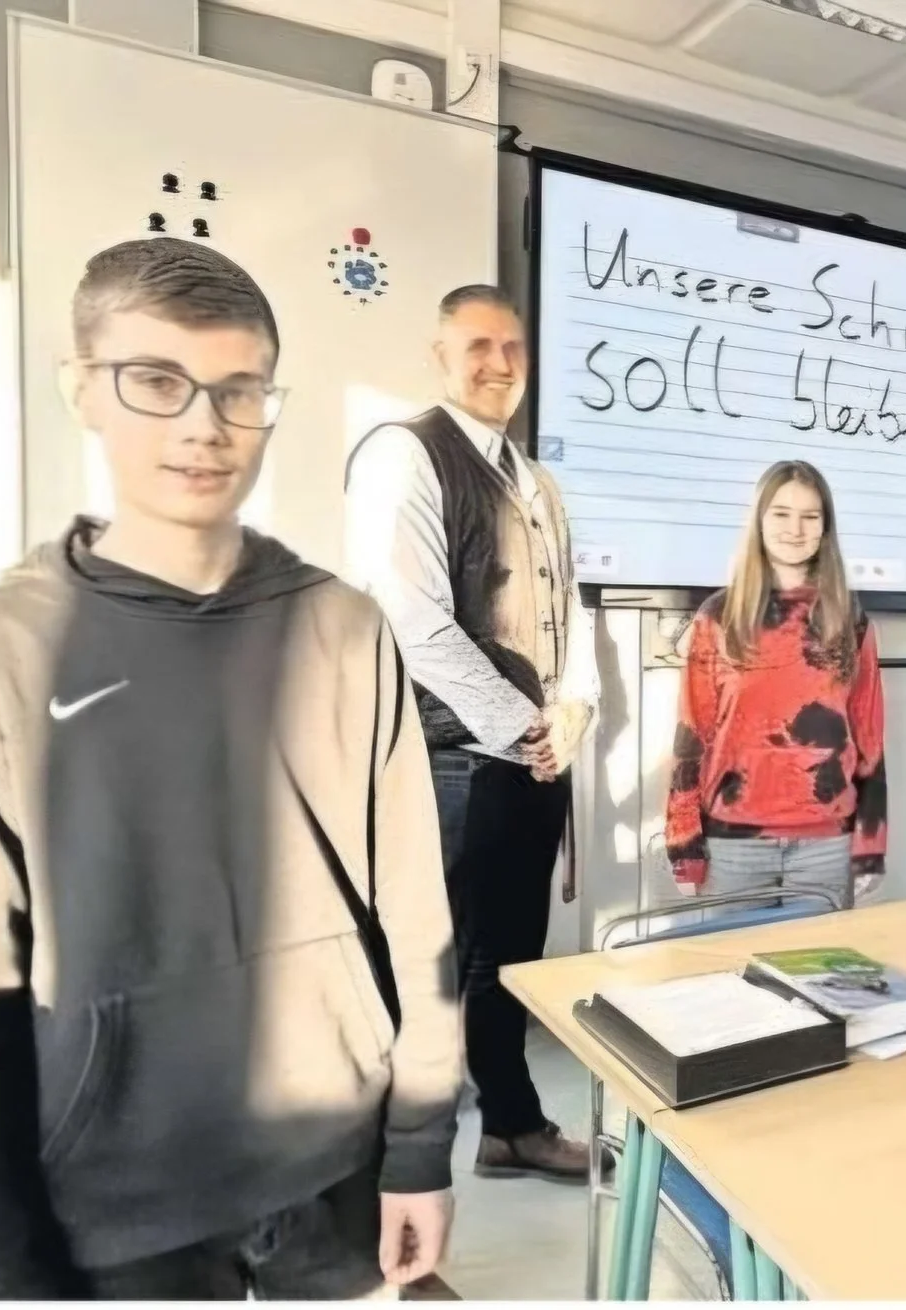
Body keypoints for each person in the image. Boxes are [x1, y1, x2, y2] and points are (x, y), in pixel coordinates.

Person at [0, 237, 460, 1299]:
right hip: (115, 1218)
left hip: (334, 1175)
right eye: (157, 381)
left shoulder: (343, 627)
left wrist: (422, 1146)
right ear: (83, 390)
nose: (204, 424)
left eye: (239, 390)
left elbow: (417, 912)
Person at [343, 284, 598, 1182]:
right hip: (445, 763)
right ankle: (375, 1184)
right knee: (422, 969)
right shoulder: (403, 456)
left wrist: (574, 712)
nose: (499, 364)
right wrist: (520, 724)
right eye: (478, 345)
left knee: (509, 964)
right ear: (440, 354)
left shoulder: (536, 479)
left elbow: (571, 610)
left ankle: (511, 1127)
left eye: (514, 348)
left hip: (529, 763)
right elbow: (413, 620)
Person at [665, 461, 888, 910]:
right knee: (733, 978)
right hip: (733, 848)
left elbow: (870, 739)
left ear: (825, 527)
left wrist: (871, 843)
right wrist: (683, 843)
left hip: (826, 846)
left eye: (810, 516)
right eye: (781, 513)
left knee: (818, 980)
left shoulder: (850, 619)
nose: (795, 528)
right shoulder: (717, 617)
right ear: (760, 521)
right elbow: (692, 735)